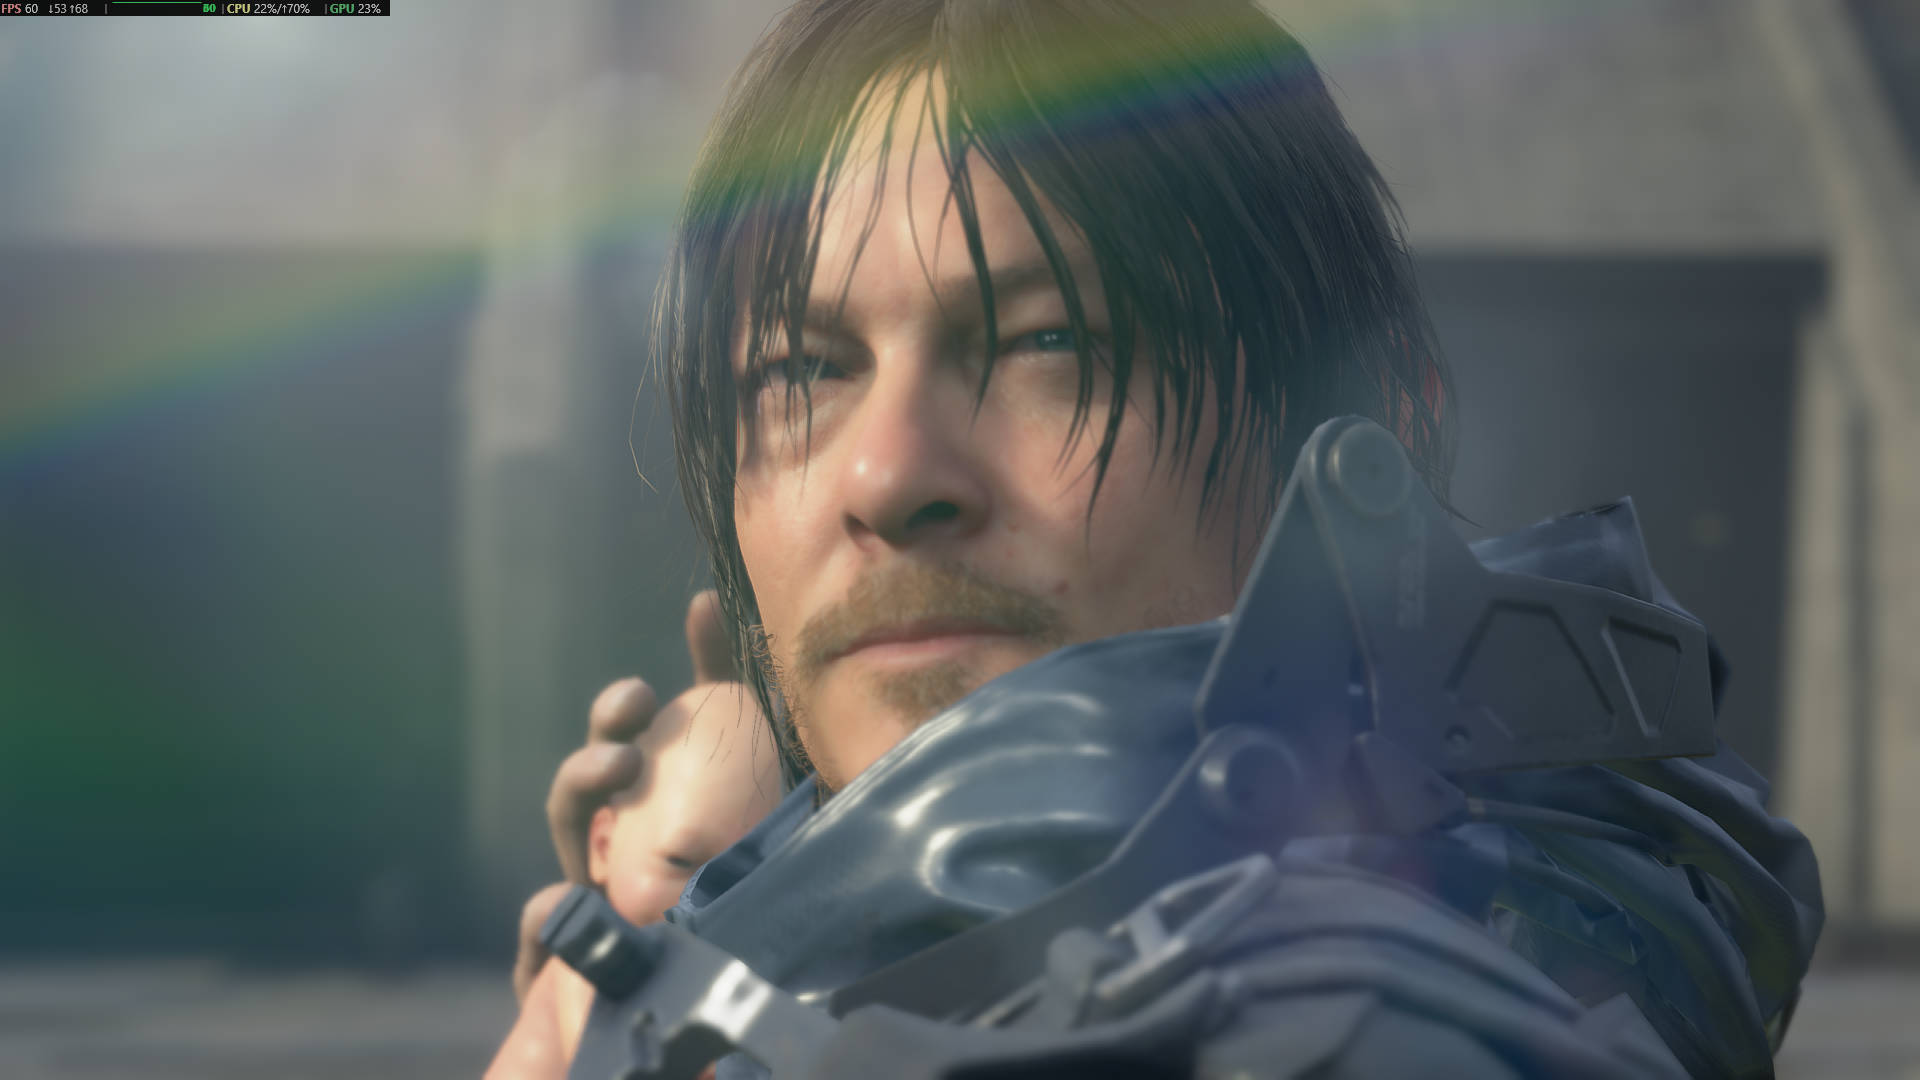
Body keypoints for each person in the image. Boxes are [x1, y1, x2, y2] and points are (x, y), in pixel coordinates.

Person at [515, 1, 1824, 1076]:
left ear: (1368, 426)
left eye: (1051, 341)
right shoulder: (739, 964)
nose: (887, 473)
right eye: (803, 370)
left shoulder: (1356, 1029)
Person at [489, 656, 781, 1080]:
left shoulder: (795, 988)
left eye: (761, 879)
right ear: (602, 845)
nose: (712, 905)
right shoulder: (582, 982)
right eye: (679, 862)